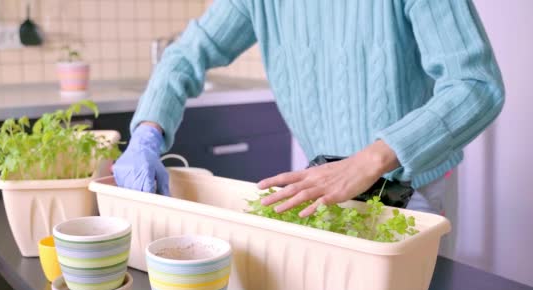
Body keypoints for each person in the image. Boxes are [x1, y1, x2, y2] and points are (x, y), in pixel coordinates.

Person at [112, 0, 504, 217]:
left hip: (408, 187)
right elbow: (185, 54)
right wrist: (148, 131)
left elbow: (476, 86)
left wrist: (367, 161)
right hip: (320, 190)